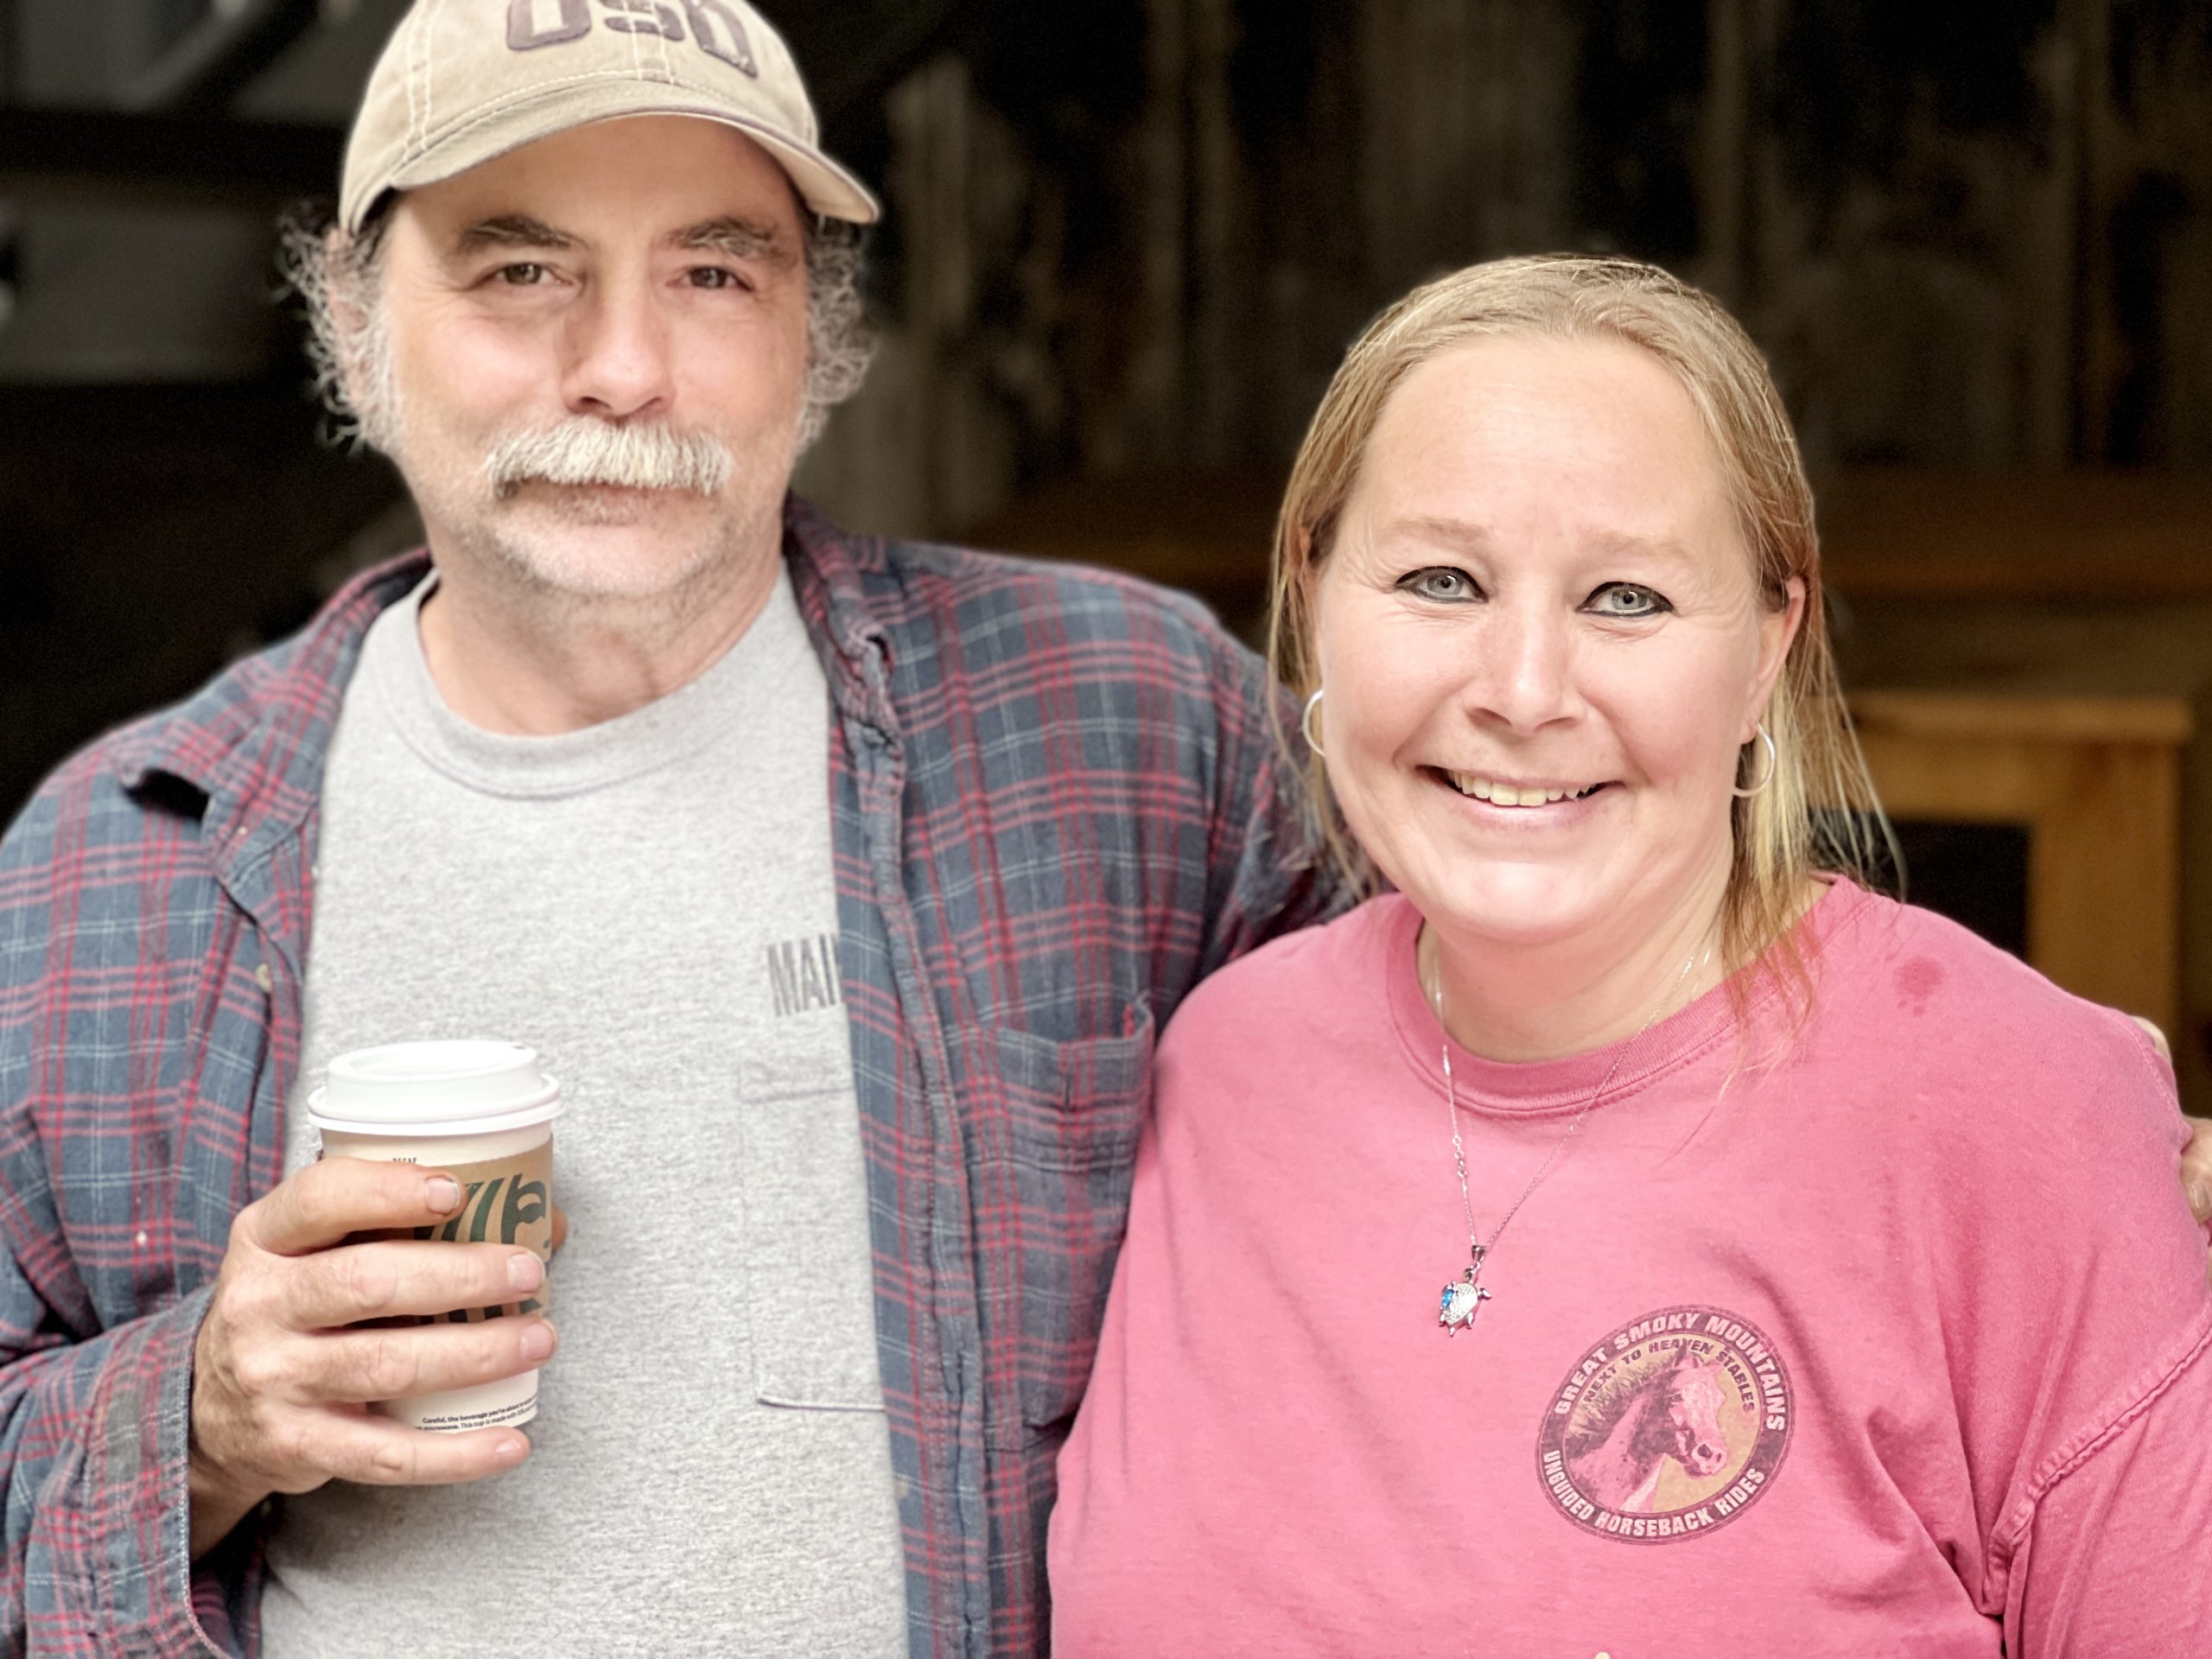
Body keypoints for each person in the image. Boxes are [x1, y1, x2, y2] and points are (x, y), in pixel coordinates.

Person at [0, 6, 1339, 1656]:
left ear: (813, 333)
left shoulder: (1124, 727)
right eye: (522, 271)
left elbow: (1469, 1162)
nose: (626, 368)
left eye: (713, 272)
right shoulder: (112, 862)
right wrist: (202, 1418)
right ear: (353, 319)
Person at [1049, 255, 2212, 1655]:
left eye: (1627, 599)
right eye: (1439, 580)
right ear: (1312, 596)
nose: (1523, 690)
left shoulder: (2021, 1112)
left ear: (1769, 647)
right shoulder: (1215, 1068)